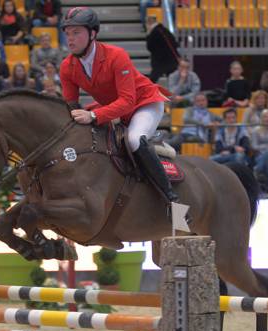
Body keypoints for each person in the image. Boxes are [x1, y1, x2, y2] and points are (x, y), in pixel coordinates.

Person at [59, 7, 185, 220]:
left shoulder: (116, 56)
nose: (70, 39)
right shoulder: (67, 67)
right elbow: (71, 105)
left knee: (134, 139)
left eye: (76, 32)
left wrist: (93, 116)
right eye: (68, 33)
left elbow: (128, 101)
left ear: (92, 34)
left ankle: (172, 202)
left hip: (144, 103)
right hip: (113, 109)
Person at [145, 15, 179, 82]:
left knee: (153, 78)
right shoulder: (163, 30)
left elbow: (149, 47)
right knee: (171, 78)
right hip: (169, 58)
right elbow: (174, 43)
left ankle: (147, 91)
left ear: (149, 22)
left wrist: (148, 35)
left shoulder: (154, 32)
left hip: (160, 59)